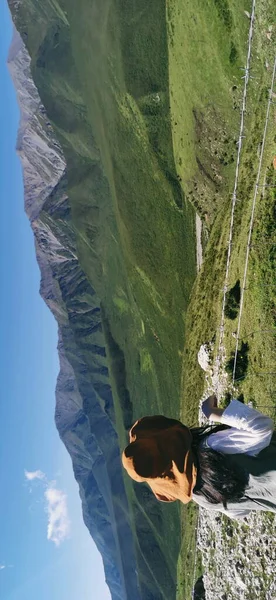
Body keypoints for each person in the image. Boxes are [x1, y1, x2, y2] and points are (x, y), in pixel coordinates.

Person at [121, 395, 276, 520]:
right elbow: (261, 426)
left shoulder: (202, 497)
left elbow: (240, 512)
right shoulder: (212, 448)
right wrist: (212, 412)